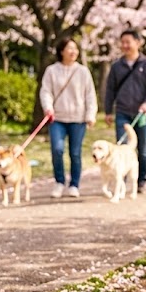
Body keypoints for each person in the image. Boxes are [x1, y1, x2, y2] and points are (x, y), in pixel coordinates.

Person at [41, 37, 97, 198]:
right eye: (70, 48)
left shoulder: (83, 71)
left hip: (78, 119)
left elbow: (90, 95)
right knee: (57, 150)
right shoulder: (51, 70)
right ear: (61, 51)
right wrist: (48, 108)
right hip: (57, 118)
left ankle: (74, 184)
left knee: (75, 153)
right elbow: (46, 91)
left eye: (75, 48)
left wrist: (90, 115)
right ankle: (59, 181)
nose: (74, 52)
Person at [104, 29, 146, 192]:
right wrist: (108, 111)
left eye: (128, 42)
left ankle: (141, 181)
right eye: (123, 42)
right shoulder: (116, 66)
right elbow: (110, 90)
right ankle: (121, 181)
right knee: (121, 148)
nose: (125, 45)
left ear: (138, 42)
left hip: (142, 113)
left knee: (142, 148)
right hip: (122, 111)